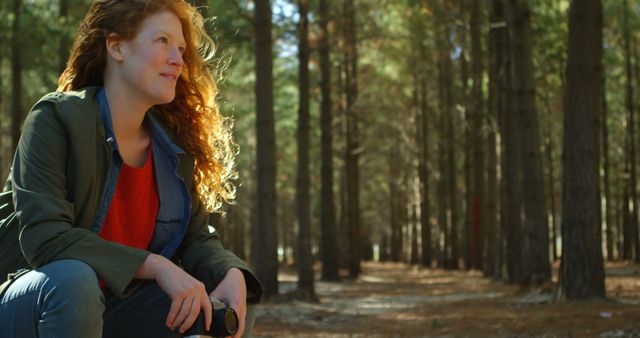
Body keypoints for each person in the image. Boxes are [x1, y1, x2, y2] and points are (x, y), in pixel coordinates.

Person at [0, 0, 262, 337]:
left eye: (181, 48)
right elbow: (45, 239)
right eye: (162, 41)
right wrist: (155, 266)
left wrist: (229, 272)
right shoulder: (56, 120)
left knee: (226, 306)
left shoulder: (172, 152)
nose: (177, 60)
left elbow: (196, 239)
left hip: (115, 308)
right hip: (28, 303)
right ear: (116, 46)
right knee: (75, 281)